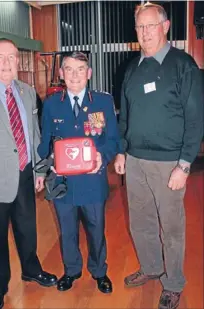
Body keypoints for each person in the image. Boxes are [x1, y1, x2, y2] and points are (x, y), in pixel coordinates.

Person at [114, 3, 203, 309]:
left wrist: (184, 164)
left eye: (151, 26)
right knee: (140, 221)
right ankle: (151, 267)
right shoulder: (132, 68)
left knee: (172, 226)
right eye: (140, 27)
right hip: (135, 161)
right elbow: (125, 114)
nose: (145, 33)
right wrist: (122, 149)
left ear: (165, 27)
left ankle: (174, 282)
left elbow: (196, 119)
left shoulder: (183, 65)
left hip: (169, 163)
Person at [0, 38, 57, 309]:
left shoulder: (28, 92)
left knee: (28, 229)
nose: (6, 63)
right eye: (0, 57)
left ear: (18, 61)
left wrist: (39, 169)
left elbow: (35, 134)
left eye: (12, 57)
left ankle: (31, 269)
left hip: (25, 175)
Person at [38, 51, 119, 293]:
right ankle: (71, 271)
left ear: (89, 73)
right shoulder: (52, 103)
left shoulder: (103, 102)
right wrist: (43, 169)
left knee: (96, 230)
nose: (75, 75)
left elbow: (113, 140)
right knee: (68, 231)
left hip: (93, 180)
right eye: (69, 69)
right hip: (62, 182)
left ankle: (99, 271)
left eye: (80, 69)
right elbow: (45, 142)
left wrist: (101, 157)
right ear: (61, 73)